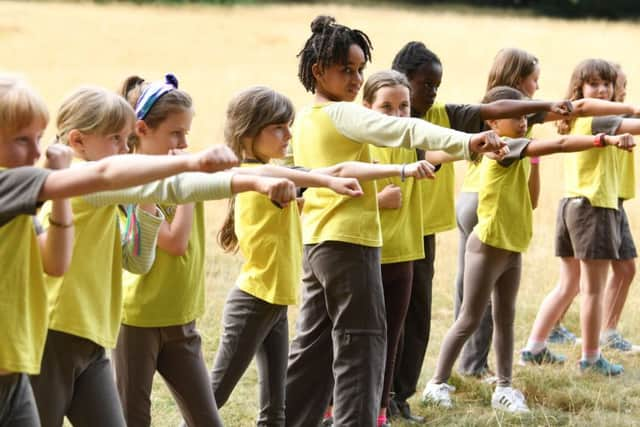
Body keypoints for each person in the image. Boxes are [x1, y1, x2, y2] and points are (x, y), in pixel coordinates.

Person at [284, 15, 506, 427]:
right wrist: (469, 139)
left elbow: (332, 169)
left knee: (312, 347)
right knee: (361, 348)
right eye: (346, 70)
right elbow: (405, 131)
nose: (355, 79)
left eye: (359, 69)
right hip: (350, 247)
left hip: (318, 246)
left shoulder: (305, 119)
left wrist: (406, 171)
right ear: (318, 72)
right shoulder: (341, 115)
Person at [422, 85, 635, 412]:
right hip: (488, 246)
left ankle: (504, 388)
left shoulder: (514, 146)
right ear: (492, 123)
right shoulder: (504, 148)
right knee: (469, 318)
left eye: (525, 116)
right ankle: (436, 384)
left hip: (511, 246)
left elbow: (533, 197)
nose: (523, 122)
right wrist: (602, 140)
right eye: (514, 116)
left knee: (505, 318)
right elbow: (561, 143)